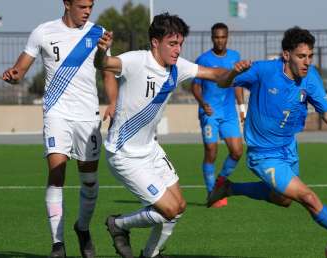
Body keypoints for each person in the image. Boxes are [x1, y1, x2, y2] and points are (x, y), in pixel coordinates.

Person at [207, 26, 327, 258]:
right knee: (308, 198)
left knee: (283, 200)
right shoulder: (263, 71)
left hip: (288, 149)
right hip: (263, 154)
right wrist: (232, 73)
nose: (307, 62)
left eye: (310, 56)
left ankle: (229, 187)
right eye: (301, 56)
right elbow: (222, 83)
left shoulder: (311, 78)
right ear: (286, 55)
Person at [94, 13, 250, 258]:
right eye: (172, 44)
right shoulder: (136, 61)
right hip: (124, 154)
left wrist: (232, 73)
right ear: (155, 42)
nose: (178, 50)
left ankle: (150, 254)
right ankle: (118, 225)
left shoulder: (179, 67)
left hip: (151, 150)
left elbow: (216, 75)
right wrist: (102, 52)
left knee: (179, 207)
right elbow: (104, 64)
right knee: (169, 209)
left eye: (180, 44)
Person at [2, 1, 117, 257]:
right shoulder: (43, 32)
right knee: (57, 172)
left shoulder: (99, 33)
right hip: (56, 113)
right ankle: (57, 243)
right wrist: (14, 75)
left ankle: (83, 228)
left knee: (89, 180)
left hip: (88, 117)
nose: (87, 11)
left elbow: (107, 71)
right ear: (66, 4)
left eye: (91, 6)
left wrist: (113, 101)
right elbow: (21, 68)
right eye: (82, 5)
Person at [191, 22, 245, 208]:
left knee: (237, 152)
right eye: (216, 37)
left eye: (223, 37)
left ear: (227, 37)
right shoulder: (203, 59)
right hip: (210, 113)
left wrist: (242, 109)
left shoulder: (235, 57)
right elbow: (195, 86)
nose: (220, 40)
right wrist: (202, 103)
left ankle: (219, 184)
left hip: (229, 113)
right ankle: (211, 193)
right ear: (212, 38)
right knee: (211, 151)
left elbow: (237, 85)